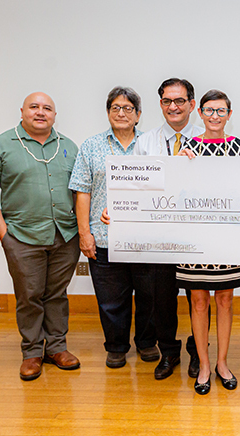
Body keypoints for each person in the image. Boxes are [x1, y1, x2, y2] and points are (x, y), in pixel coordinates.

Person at [69, 86, 181, 371]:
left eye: (128, 108)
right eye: (115, 108)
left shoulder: (153, 144)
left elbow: (164, 186)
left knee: (149, 296)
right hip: (104, 237)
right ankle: (116, 346)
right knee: (111, 299)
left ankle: (146, 342)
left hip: (146, 239)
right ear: (108, 113)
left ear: (138, 115)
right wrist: (85, 233)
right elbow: (82, 191)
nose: (121, 113)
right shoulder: (91, 146)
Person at [0, 92, 81, 381]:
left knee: (57, 294)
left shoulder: (69, 147)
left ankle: (57, 347)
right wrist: (4, 234)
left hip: (65, 235)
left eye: (47, 108)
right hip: (22, 236)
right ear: (22, 110)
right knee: (29, 296)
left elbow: (80, 192)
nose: (41, 112)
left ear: (55, 114)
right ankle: (32, 352)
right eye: (34, 107)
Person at [176, 90, 240, 395]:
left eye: (221, 111)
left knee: (225, 300)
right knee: (198, 300)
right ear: (200, 113)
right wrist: (177, 165)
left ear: (229, 114)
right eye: (209, 110)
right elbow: (175, 192)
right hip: (194, 237)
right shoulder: (187, 148)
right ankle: (203, 365)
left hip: (229, 237)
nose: (215, 116)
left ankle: (222, 362)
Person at [133, 78, 206, 380]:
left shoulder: (208, 138)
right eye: (166, 101)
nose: (173, 107)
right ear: (160, 104)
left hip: (197, 234)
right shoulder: (146, 142)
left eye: (179, 101)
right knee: (161, 296)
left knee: (199, 296)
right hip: (159, 234)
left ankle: (197, 352)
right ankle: (169, 351)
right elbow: (136, 187)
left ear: (192, 104)